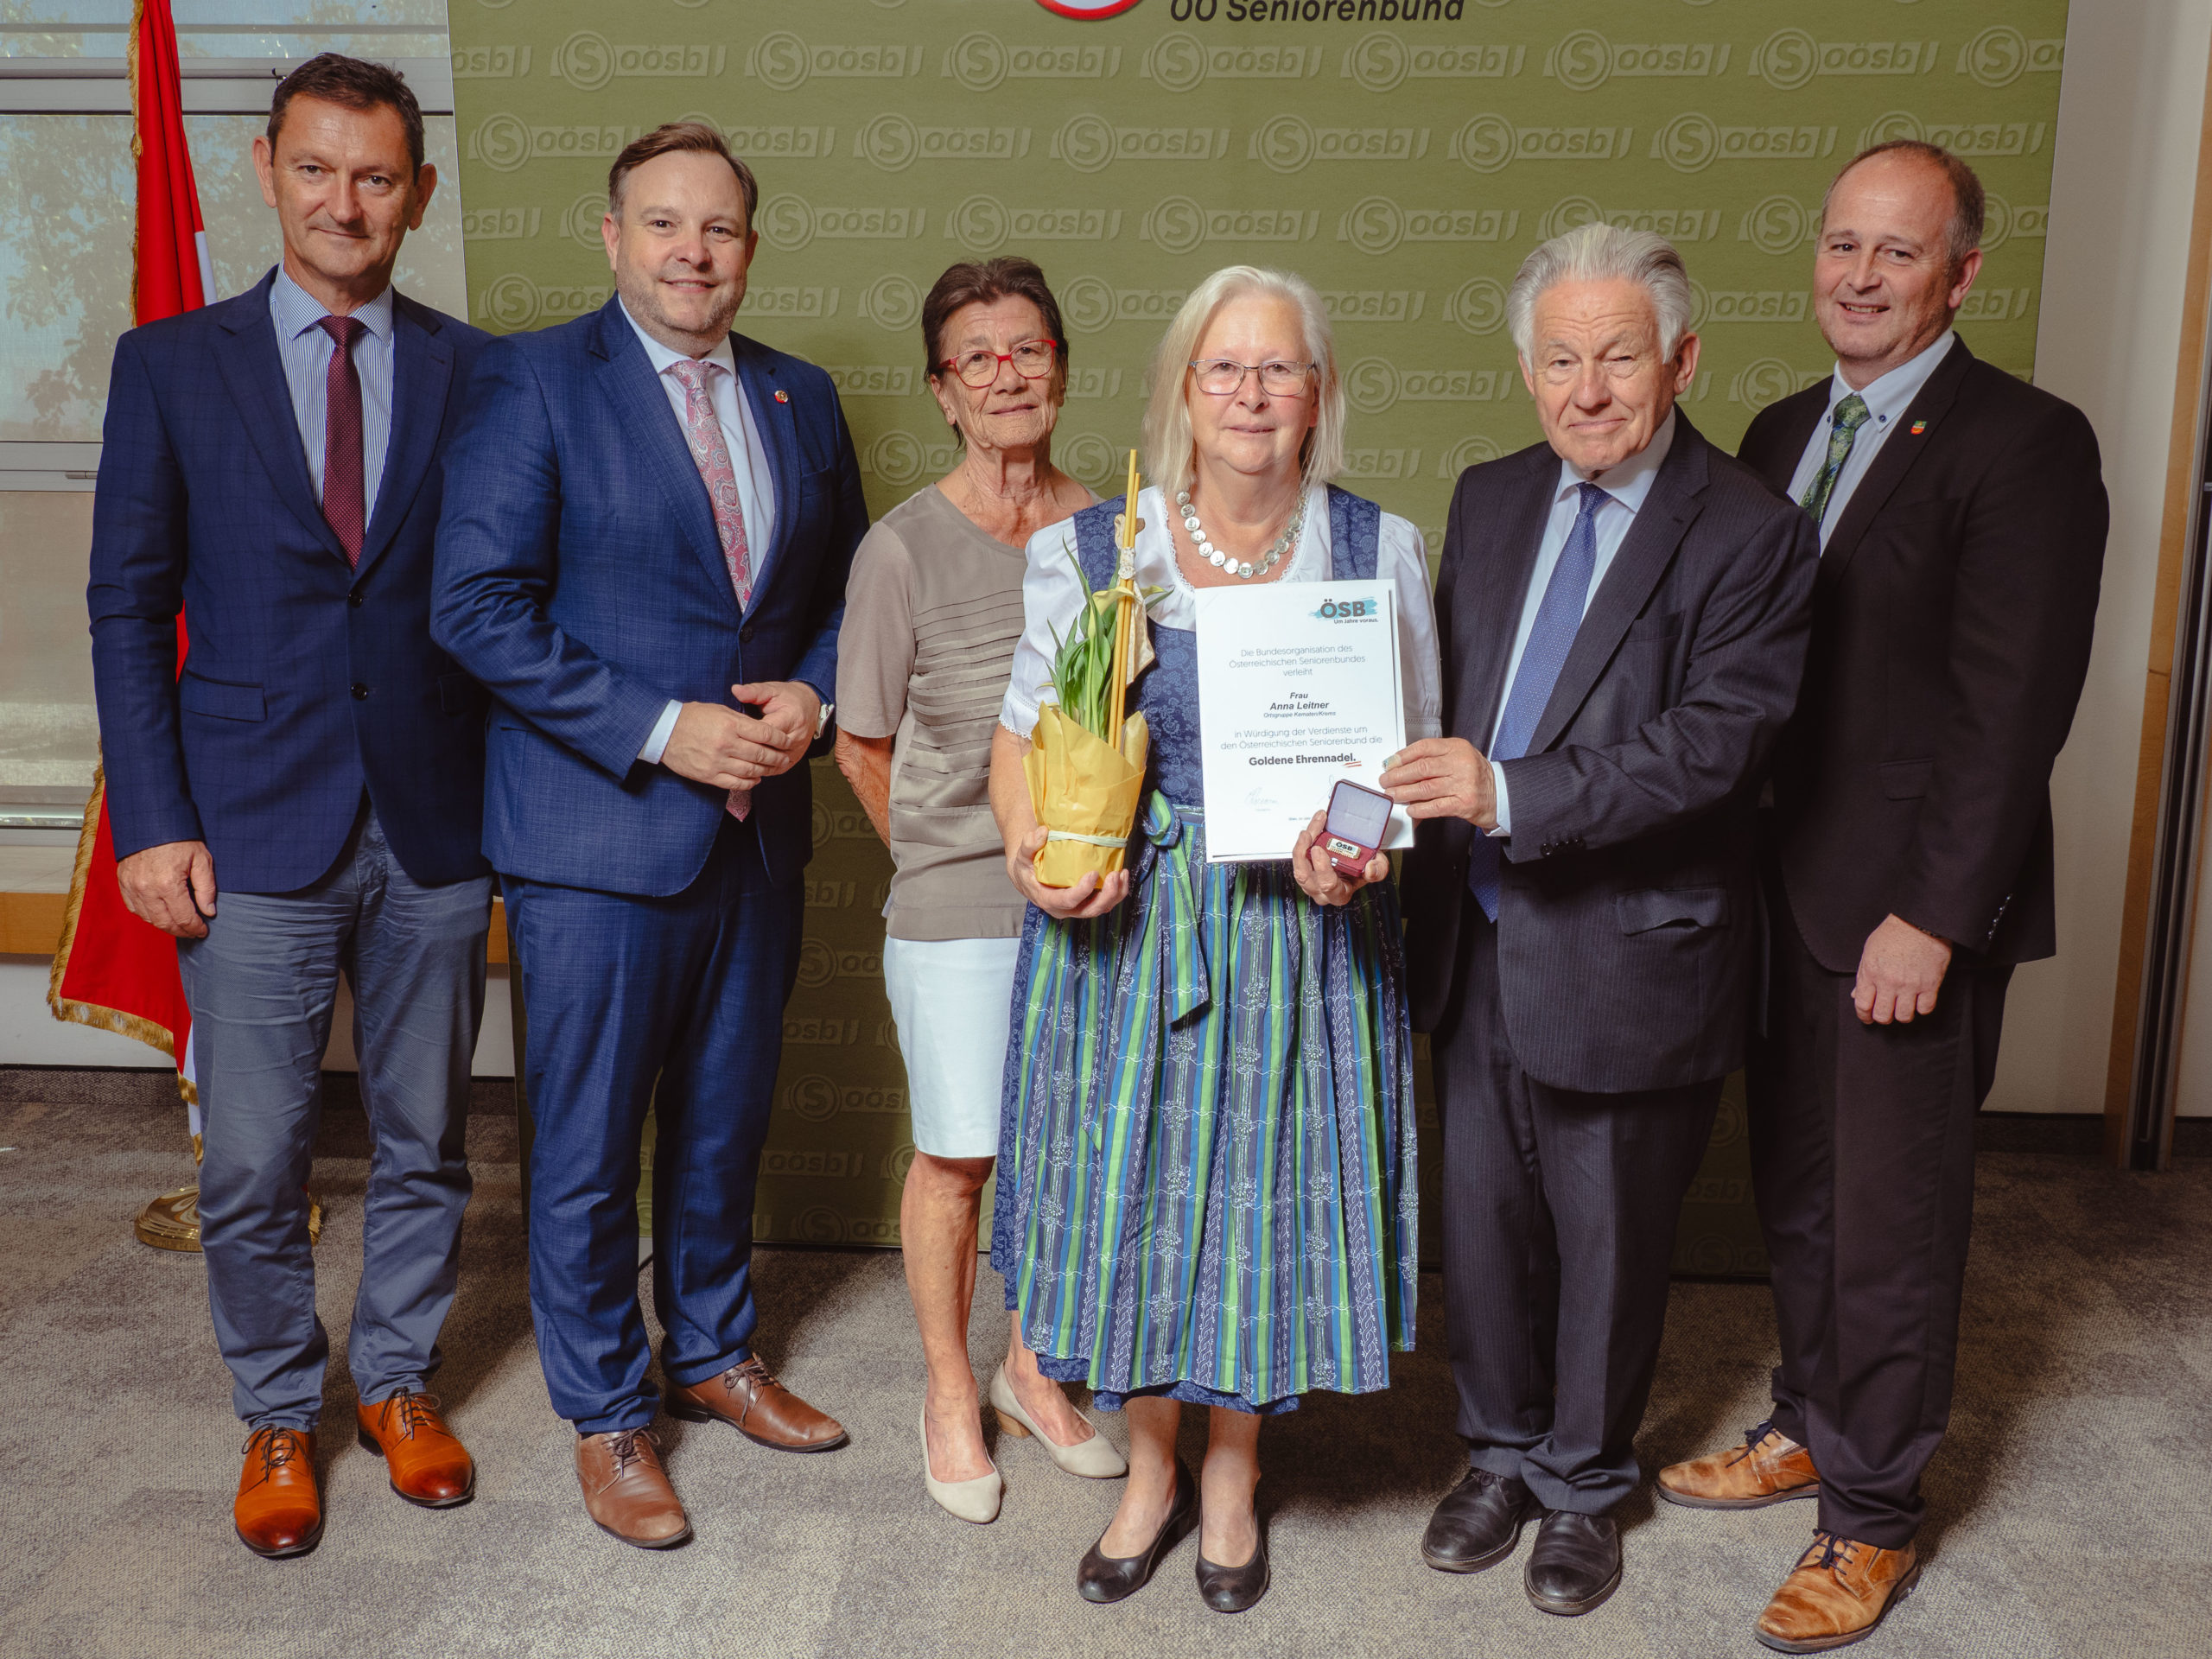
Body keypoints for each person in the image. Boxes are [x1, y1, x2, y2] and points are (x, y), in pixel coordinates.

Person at [1658, 142, 2107, 1654]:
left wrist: (1936, 915)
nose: (1858, 276)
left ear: (1962, 274)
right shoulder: (1784, 428)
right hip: (1779, 892)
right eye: (1842, 243)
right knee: (1800, 1191)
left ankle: (1872, 1515)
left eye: (1897, 253)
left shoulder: (2027, 443)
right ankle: (1809, 1419)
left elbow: (2013, 709)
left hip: (1908, 912)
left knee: (1893, 1221)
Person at [431, 122, 868, 1549]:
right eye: (665, 224)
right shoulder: (532, 379)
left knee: (724, 1122)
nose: (694, 251)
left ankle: (715, 1352)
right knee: (584, 1145)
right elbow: (475, 605)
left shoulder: (800, 395)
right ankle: (609, 1413)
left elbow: (843, 590)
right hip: (597, 836)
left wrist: (814, 693)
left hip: (756, 835)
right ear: (613, 237)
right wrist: (659, 727)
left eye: (719, 227)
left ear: (751, 245)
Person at [86, 54, 491, 1559]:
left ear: (417, 195)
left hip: (436, 821)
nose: (344, 202)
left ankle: (395, 1382)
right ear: (265, 169)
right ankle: (276, 1409)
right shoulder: (169, 365)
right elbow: (128, 609)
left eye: (376, 176)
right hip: (246, 823)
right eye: (316, 169)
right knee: (256, 1157)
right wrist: (152, 820)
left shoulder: (478, 371)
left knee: (426, 1134)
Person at [989, 265, 1440, 1613]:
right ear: (1184, 391)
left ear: (1319, 394)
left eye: (1280, 368)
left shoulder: (1377, 549)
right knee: (1131, 1196)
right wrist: (1033, 853)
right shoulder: (1092, 550)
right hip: (1133, 927)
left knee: (1263, 1202)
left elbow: (1401, 764)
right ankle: (1150, 1468)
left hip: (1303, 932)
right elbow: (1021, 742)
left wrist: (1355, 853)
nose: (1252, 394)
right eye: (1226, 368)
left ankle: (1233, 1472)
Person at [1387, 223, 1818, 1618]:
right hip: (1476, 935)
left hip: (1633, 947)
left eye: (1618, 358)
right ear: (1528, 371)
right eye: (1560, 359)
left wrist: (1510, 792)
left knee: (1612, 1244)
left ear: (1680, 361)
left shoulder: (1752, 530)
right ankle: (1500, 1454)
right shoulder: (1492, 496)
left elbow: (1716, 748)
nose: (1587, 390)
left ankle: (1584, 1482)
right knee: (1484, 1229)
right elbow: (1435, 695)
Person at [834, 257, 1126, 1523]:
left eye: (1028, 350)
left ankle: (1032, 1370)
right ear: (943, 390)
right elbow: (861, 743)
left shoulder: (1115, 536)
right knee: (960, 1155)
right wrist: (940, 865)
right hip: (956, 900)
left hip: (1098, 898)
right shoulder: (899, 550)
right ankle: (951, 1391)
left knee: (1073, 1155)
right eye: (977, 359)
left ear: (1061, 368)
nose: (1006, 376)